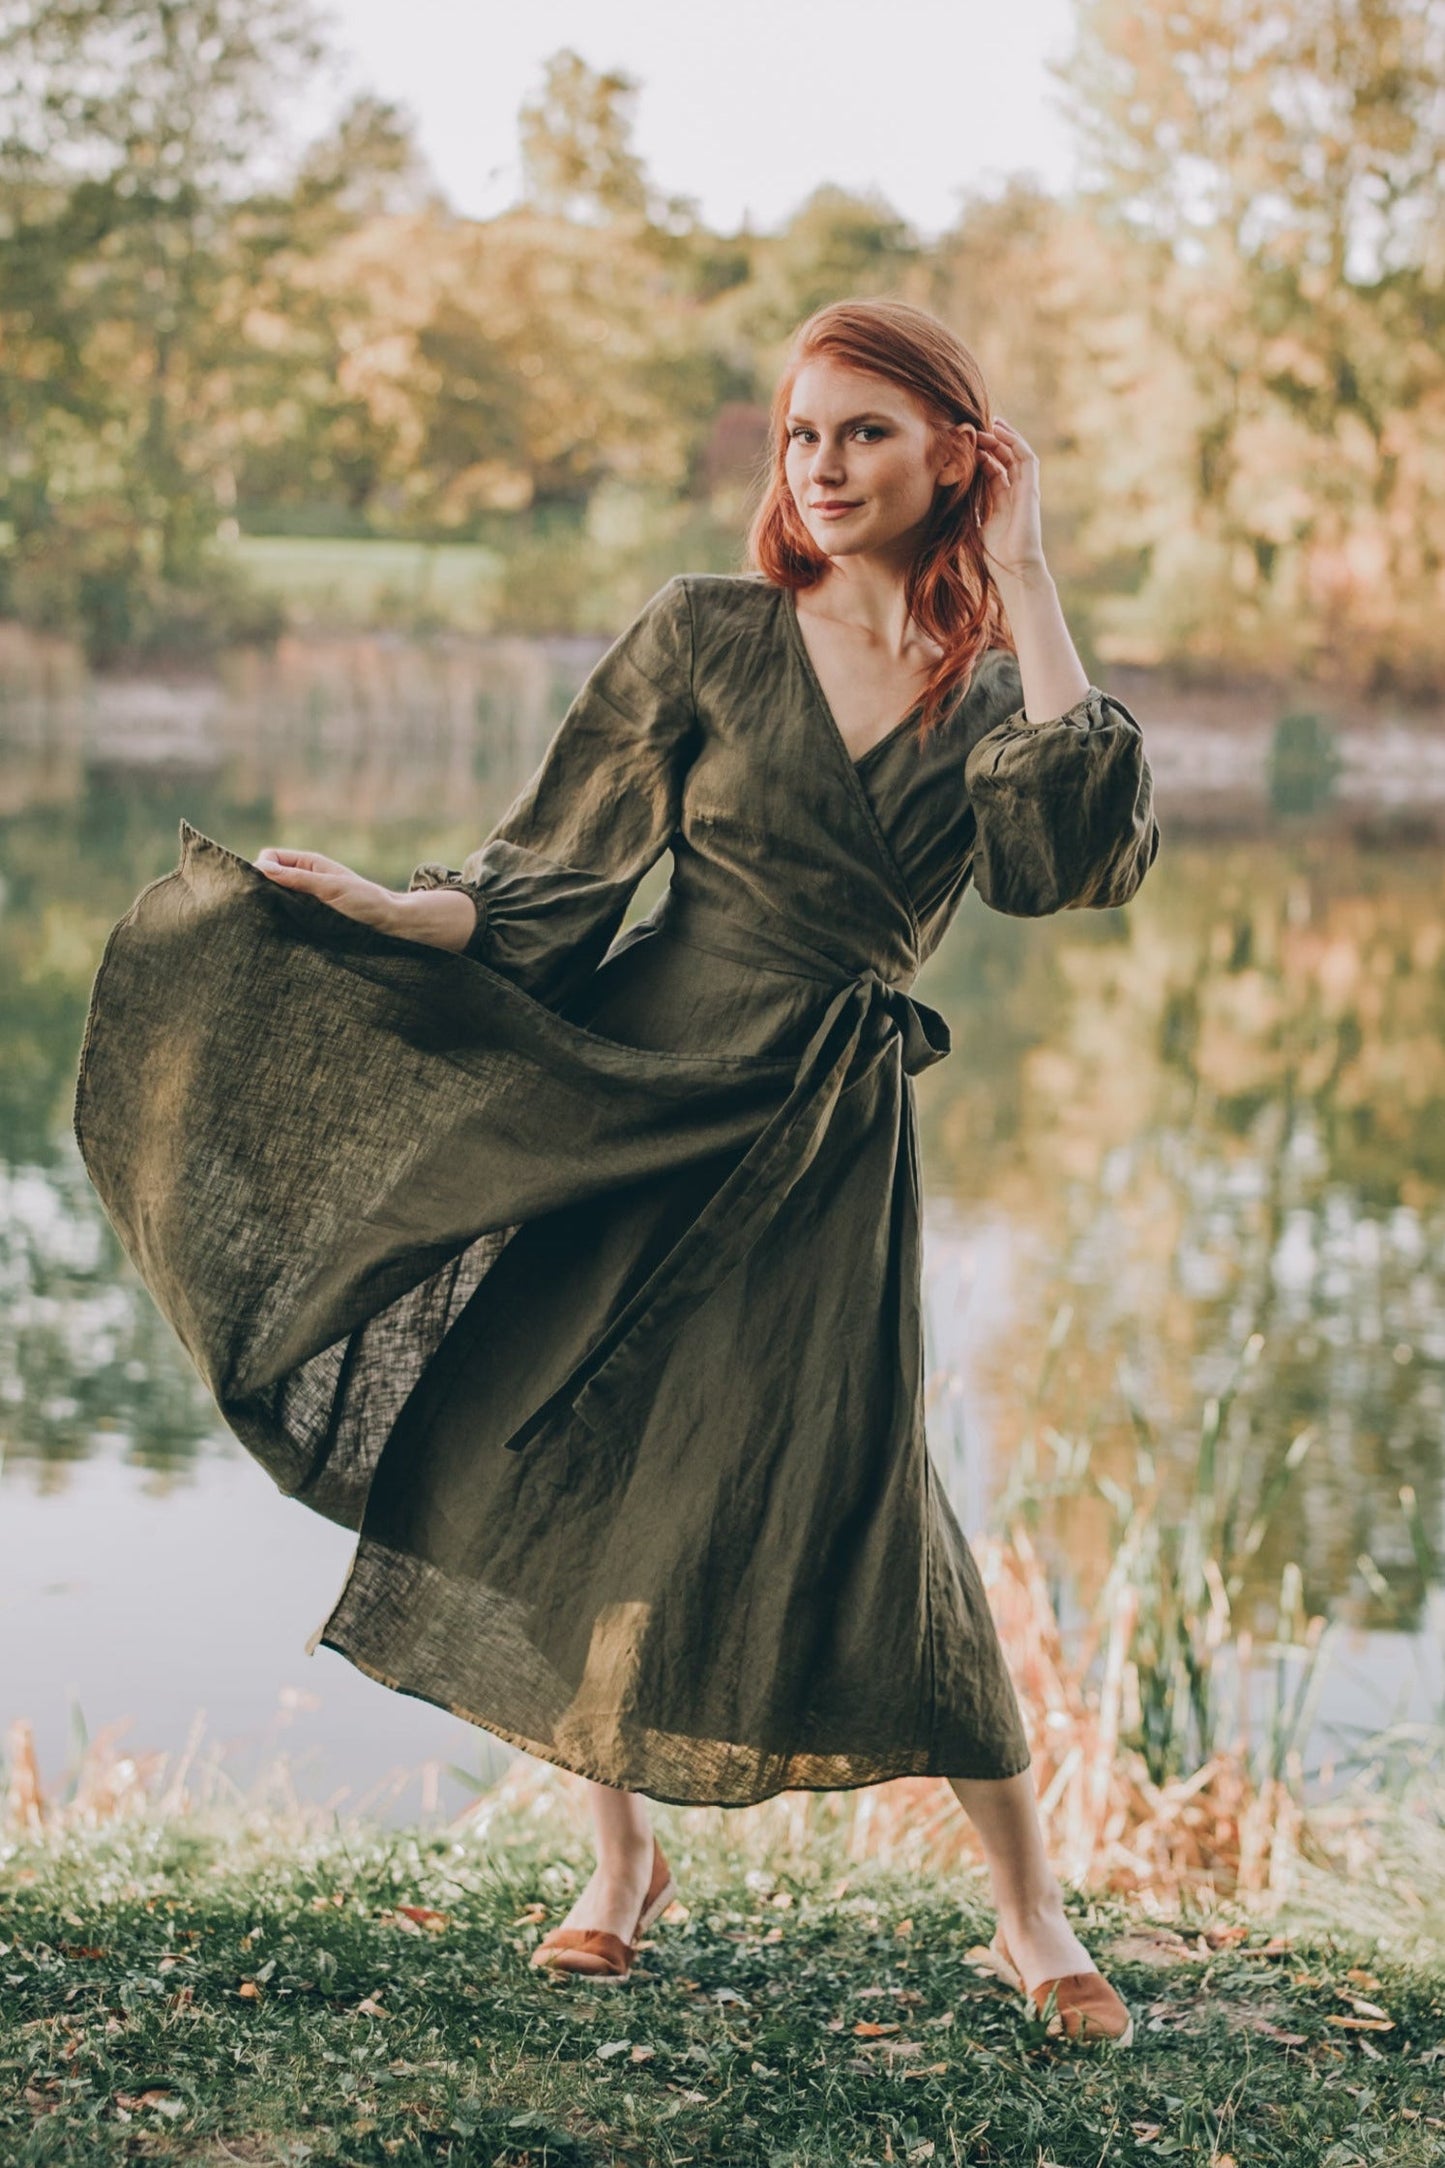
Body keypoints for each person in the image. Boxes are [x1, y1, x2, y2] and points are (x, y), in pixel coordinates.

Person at [74, 299, 1158, 2043]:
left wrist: (1029, 585)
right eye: (801, 434)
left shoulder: (991, 699)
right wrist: (381, 906)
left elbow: (1071, 866)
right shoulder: (701, 636)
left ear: (962, 452)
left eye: (866, 432)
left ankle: (1031, 1916)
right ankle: (615, 1864)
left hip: (823, 1129)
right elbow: (547, 885)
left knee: (865, 1482)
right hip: (633, 1093)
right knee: (560, 1438)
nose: (820, 467)